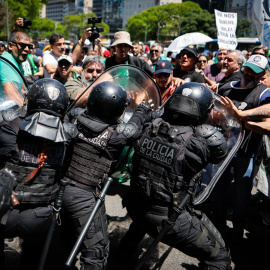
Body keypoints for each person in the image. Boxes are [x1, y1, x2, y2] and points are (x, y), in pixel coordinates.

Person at [117, 82, 231, 270]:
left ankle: (121, 256)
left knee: (140, 223)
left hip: (135, 204)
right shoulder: (196, 145)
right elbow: (218, 152)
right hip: (167, 217)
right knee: (220, 257)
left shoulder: (148, 126)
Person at [60, 81, 152, 270]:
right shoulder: (114, 137)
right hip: (85, 198)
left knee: (67, 237)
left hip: (60, 189)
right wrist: (142, 110)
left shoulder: (74, 119)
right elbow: (133, 128)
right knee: (96, 252)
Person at [0, 79, 74, 270]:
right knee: (33, 258)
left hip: (4, 211)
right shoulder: (69, 137)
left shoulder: (8, 127)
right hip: (39, 217)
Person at [211, 54, 270, 244]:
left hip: (246, 153)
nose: (249, 73)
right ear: (242, 67)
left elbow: (268, 126)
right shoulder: (225, 87)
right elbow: (213, 113)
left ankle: (237, 232)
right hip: (222, 150)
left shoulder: (263, 93)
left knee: (241, 195)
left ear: (263, 74)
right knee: (217, 190)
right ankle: (216, 227)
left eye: (256, 71)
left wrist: (242, 117)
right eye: (248, 68)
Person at [0, 31, 31, 106]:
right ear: (10, 46)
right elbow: (11, 94)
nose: (27, 49)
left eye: (29, 46)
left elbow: (17, 89)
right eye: (22, 45)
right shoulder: (6, 62)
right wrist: (27, 110)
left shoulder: (16, 61)